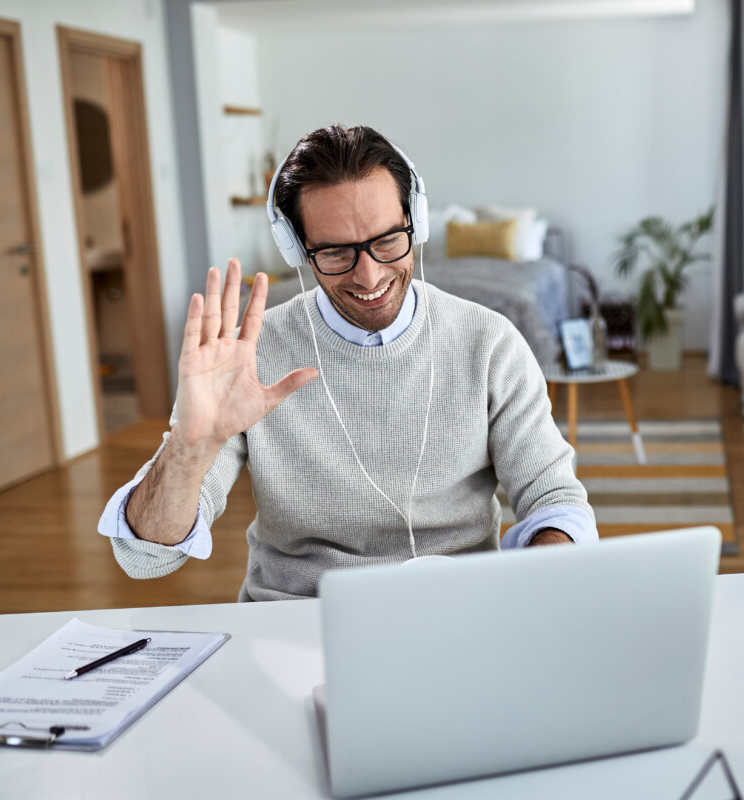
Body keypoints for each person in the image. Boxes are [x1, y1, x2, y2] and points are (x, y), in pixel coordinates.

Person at [98, 124, 596, 601]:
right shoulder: (254, 353)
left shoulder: (488, 342)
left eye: (386, 240)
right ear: (298, 250)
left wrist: (532, 585)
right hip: (295, 617)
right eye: (336, 252)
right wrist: (191, 446)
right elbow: (144, 558)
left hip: (457, 612)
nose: (369, 274)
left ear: (414, 223)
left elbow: (557, 501)